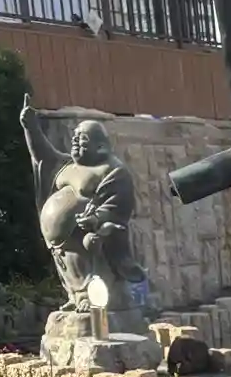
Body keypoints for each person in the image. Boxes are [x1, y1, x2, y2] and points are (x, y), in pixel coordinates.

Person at [20, 99, 145, 314]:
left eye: (83, 138)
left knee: (90, 250)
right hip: (60, 242)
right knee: (70, 268)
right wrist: (31, 127)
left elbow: (118, 204)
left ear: (100, 146)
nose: (76, 141)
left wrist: (96, 218)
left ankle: (92, 298)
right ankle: (76, 296)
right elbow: (42, 155)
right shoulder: (66, 165)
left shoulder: (113, 170)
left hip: (88, 237)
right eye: (75, 137)